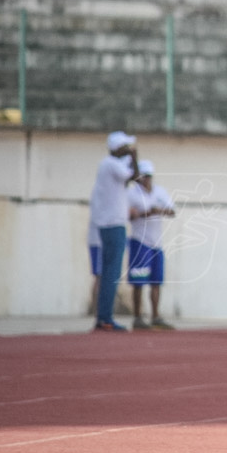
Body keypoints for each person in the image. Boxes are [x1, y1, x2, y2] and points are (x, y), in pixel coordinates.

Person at [90, 131, 140, 331]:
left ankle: (103, 317)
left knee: (109, 272)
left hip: (111, 224)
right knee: (112, 273)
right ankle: (105, 318)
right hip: (113, 225)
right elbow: (135, 176)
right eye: (125, 146)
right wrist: (134, 158)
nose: (128, 150)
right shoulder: (111, 164)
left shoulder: (108, 166)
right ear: (117, 148)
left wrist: (129, 158)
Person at [127, 159, 176, 330]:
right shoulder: (131, 194)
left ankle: (155, 315)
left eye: (148, 176)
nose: (146, 179)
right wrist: (144, 213)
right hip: (140, 241)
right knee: (138, 281)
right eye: (143, 176)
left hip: (157, 243)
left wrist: (158, 210)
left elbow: (172, 210)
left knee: (156, 281)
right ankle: (137, 316)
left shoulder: (159, 192)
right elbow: (128, 215)